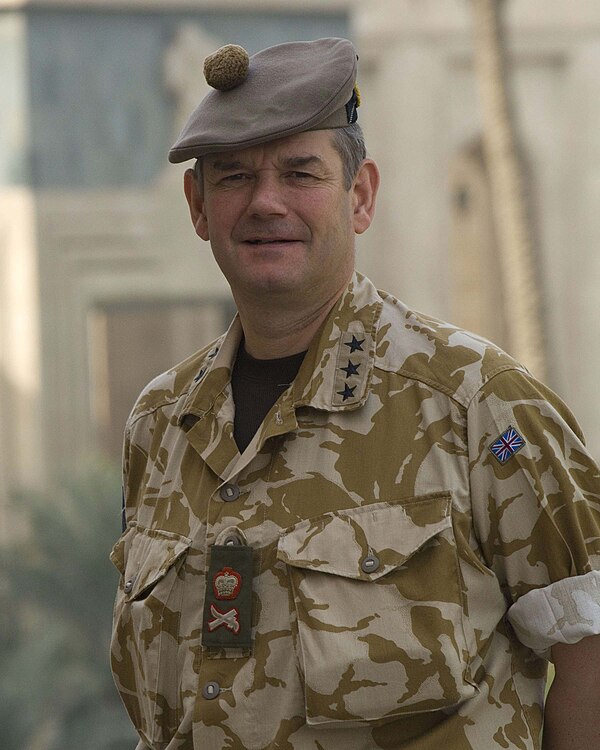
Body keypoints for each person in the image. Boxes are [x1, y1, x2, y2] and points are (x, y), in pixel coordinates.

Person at [110, 38, 600, 750]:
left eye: (300, 173)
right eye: (235, 176)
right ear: (198, 205)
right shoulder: (162, 424)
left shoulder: (474, 403)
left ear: (360, 194)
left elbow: (589, 646)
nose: (265, 202)